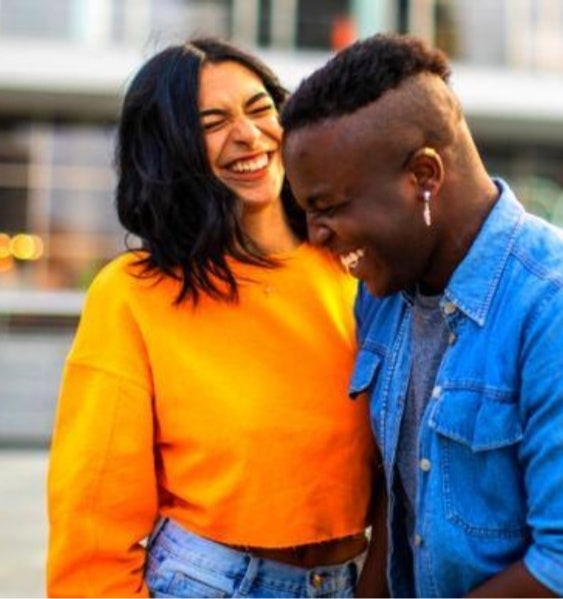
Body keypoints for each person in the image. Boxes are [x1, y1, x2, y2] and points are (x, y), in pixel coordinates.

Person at [281, 34, 563, 598]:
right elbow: (400, 513)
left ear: (424, 176)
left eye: (328, 207)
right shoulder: (383, 298)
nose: (316, 235)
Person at [46, 38, 377, 598]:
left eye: (259, 109)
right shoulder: (133, 294)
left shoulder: (356, 267)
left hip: (355, 580)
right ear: (171, 149)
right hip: (212, 582)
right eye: (212, 122)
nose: (248, 136)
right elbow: (94, 509)